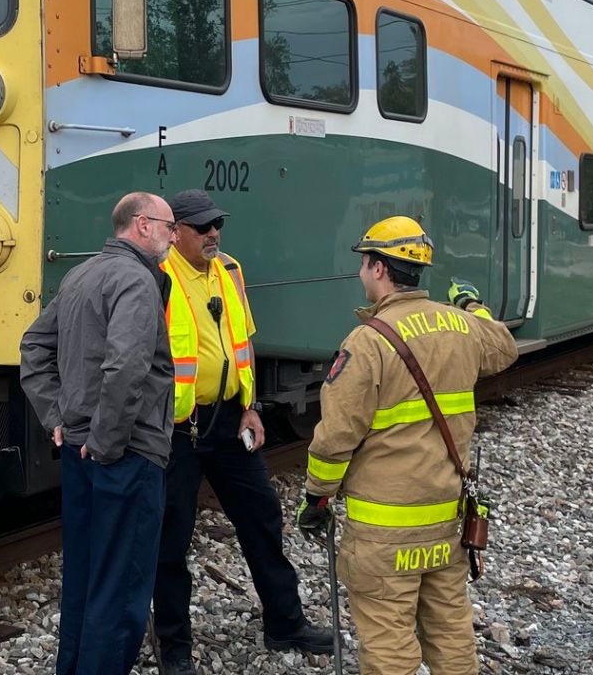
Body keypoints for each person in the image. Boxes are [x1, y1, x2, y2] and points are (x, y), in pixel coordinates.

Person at [295, 217, 520, 675]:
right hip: (445, 523)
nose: (361, 271)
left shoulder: (368, 342)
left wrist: (316, 499)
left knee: (389, 643)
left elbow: (335, 439)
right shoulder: (460, 325)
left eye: (364, 263)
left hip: (384, 530)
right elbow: (504, 345)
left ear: (379, 268)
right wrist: (471, 304)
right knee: (451, 632)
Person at [151, 190, 330, 674]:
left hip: (230, 420)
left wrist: (250, 407)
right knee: (171, 537)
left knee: (262, 517)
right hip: (177, 428)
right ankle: (174, 648)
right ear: (175, 231)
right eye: (202, 226)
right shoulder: (158, 275)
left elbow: (242, 344)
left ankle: (286, 623)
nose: (213, 233)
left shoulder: (229, 269)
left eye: (218, 224)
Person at [19, 192, 178, 675]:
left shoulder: (80, 275)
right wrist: (106, 440)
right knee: (121, 587)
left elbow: (33, 345)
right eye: (170, 226)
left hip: (81, 450)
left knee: (85, 580)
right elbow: (126, 366)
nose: (174, 237)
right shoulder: (136, 280)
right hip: (124, 453)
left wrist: (57, 418)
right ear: (143, 224)